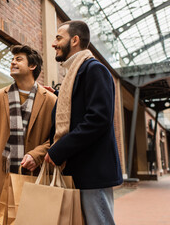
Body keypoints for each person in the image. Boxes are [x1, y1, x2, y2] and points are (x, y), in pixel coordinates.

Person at [44, 20, 123, 225]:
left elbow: (98, 119)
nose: (54, 43)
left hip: (92, 173)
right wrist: (60, 96)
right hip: (79, 170)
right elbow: (78, 112)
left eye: (59, 38)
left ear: (75, 40)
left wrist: (58, 150)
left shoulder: (94, 69)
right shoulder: (75, 74)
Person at [0, 45, 57, 225]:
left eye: (19, 59)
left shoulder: (51, 100)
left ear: (32, 66)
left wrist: (37, 154)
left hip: (34, 181)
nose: (13, 62)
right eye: (12, 59)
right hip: (1, 180)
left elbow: (59, 138)